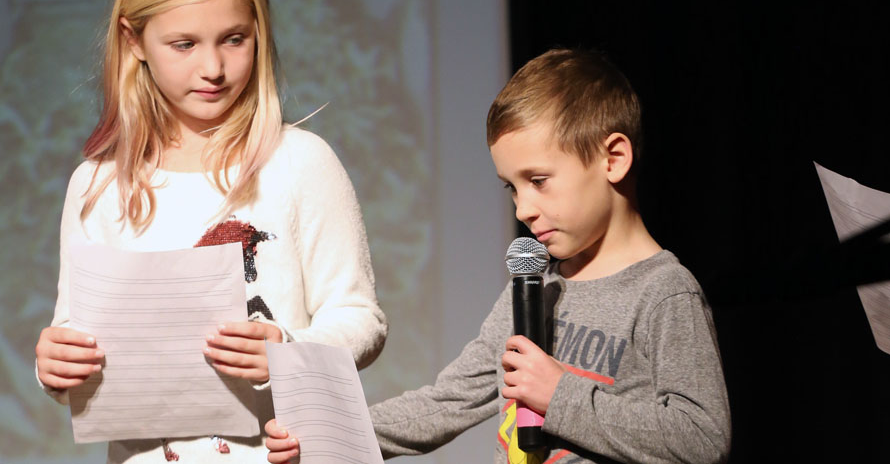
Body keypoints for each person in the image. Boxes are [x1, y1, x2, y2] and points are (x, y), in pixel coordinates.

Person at [266, 48, 731, 463]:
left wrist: (559, 395)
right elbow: (450, 400)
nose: (523, 209)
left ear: (613, 159)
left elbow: (702, 438)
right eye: (512, 188)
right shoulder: (534, 289)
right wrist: (331, 434)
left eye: (539, 180)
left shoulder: (663, 293)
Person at [33, 0, 387, 461]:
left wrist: (288, 350)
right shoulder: (98, 185)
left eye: (234, 39)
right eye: (184, 44)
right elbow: (75, 331)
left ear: (260, 31)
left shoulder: (299, 162)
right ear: (134, 40)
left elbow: (360, 316)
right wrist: (56, 364)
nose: (213, 68)